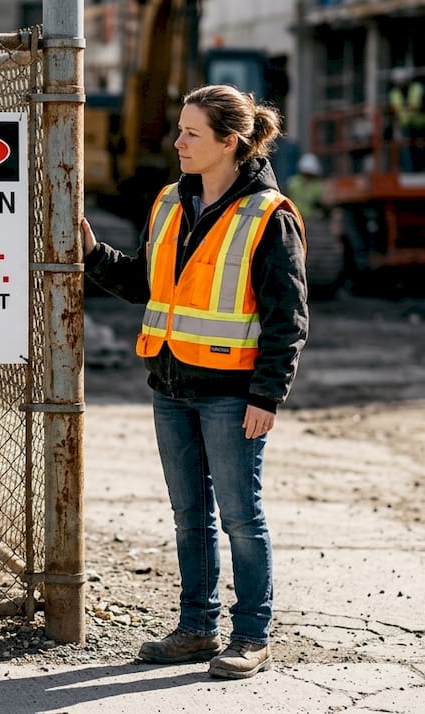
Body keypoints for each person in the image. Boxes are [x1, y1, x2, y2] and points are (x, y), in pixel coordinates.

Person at [79, 84, 309, 680]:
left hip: (232, 393)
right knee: (189, 516)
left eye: (191, 133)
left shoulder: (268, 216)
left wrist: (267, 396)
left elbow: (288, 319)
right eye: (180, 130)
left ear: (229, 143)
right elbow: (150, 285)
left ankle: (252, 635)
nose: (177, 141)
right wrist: (95, 255)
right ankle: (197, 628)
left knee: (241, 518)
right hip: (171, 384)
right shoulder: (168, 203)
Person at [387, 67, 425, 171]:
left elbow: (419, 106)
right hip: (406, 126)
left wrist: (404, 109)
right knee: (406, 150)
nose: (400, 85)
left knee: (423, 150)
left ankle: (422, 170)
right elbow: (394, 110)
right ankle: (409, 171)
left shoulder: (417, 88)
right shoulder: (394, 94)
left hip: (421, 125)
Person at [285, 153, 327, 221]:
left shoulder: (317, 185)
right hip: (295, 217)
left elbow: (320, 203)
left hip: (311, 219)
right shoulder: (293, 183)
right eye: (306, 174)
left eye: (310, 175)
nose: (307, 178)